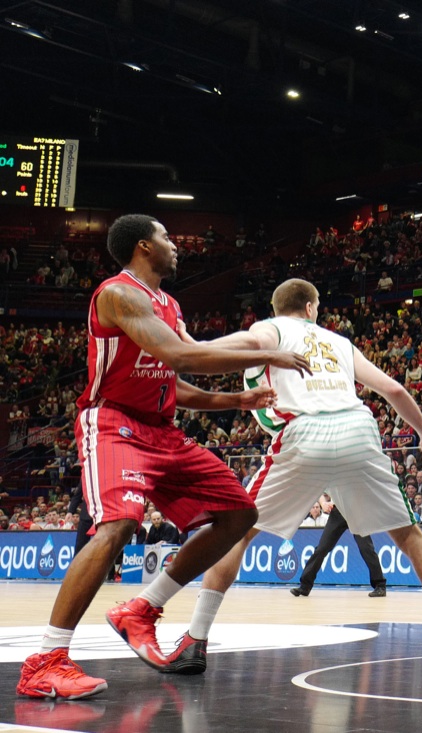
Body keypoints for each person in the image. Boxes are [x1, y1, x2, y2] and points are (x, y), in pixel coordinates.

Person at [18, 214, 310, 700]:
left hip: (162, 431)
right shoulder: (118, 293)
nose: (176, 245)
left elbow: (173, 381)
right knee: (119, 525)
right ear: (142, 247)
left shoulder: (170, 305)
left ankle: (142, 608)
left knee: (239, 513)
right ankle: (46, 660)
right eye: (167, 238)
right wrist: (269, 355)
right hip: (113, 423)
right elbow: (181, 356)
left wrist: (233, 402)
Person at [161, 278, 422, 676]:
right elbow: (393, 388)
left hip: (305, 435)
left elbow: (243, 345)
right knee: (408, 536)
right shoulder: (337, 341)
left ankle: (195, 640)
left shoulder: (269, 330)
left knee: (237, 531)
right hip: (357, 429)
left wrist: (194, 346)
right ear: (309, 307)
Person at [290, 504, 387, 598]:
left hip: (357, 511)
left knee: (366, 548)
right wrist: (323, 502)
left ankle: (380, 585)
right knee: (322, 548)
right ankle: (305, 586)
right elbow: (323, 487)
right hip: (338, 511)